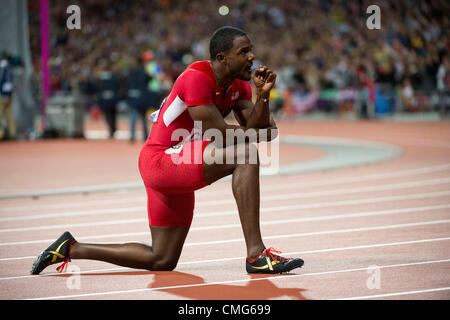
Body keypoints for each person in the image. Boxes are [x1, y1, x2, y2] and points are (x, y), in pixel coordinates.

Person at [31, 26, 304, 275]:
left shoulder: (240, 86)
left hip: (179, 163)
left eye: (251, 50)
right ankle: (256, 254)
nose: (252, 57)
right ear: (222, 58)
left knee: (161, 259)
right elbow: (222, 136)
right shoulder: (197, 78)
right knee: (246, 153)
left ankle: (70, 248)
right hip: (160, 161)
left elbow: (267, 129)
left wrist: (263, 95)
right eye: (243, 52)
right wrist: (256, 129)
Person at [0, 54, 16, 141]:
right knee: (9, 116)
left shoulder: (1, 68)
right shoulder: (9, 69)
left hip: (1, 96)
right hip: (9, 96)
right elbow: (11, 83)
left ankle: (0, 134)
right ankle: (12, 133)